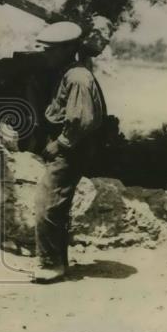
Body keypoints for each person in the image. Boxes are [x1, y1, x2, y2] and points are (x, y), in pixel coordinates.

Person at [32, 16, 113, 283]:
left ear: (66, 49)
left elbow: (83, 120)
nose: (45, 55)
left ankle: (50, 265)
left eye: (49, 50)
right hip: (69, 145)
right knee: (56, 205)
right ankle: (58, 262)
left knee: (47, 204)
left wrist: (61, 144)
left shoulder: (77, 76)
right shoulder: (70, 72)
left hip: (71, 147)